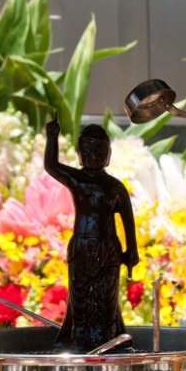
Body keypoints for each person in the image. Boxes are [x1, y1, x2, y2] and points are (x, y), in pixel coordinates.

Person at [45, 116, 138, 353]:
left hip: (108, 249)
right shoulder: (78, 180)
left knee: (107, 297)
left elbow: (128, 222)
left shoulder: (115, 187)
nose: (94, 157)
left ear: (108, 155)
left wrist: (132, 252)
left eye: (100, 151)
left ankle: (108, 340)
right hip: (82, 248)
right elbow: (52, 166)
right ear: (79, 154)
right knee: (81, 296)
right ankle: (80, 339)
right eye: (88, 151)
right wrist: (52, 138)